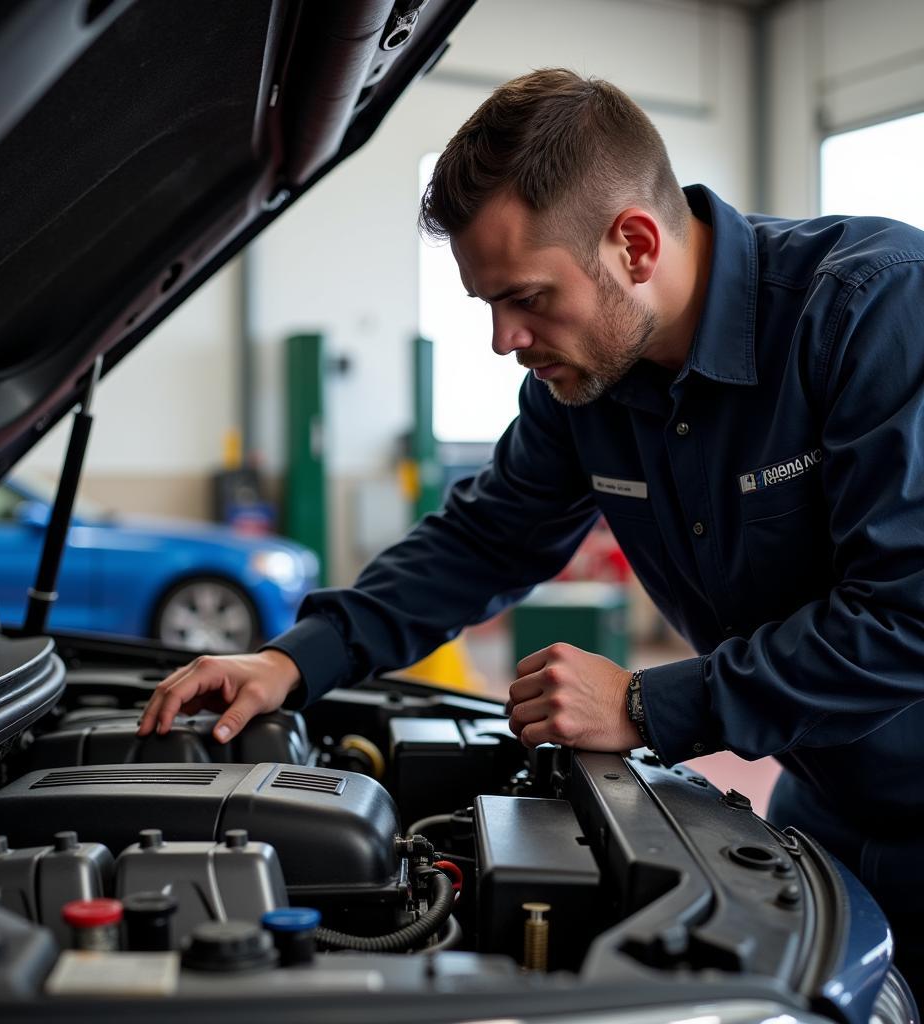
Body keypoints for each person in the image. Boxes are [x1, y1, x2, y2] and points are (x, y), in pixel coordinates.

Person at [139, 71, 924, 993]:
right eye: (487, 307)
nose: (505, 340)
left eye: (528, 298)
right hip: (824, 808)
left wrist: (644, 706)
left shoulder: (871, 310)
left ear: (634, 243)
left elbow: (906, 619)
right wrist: (295, 661)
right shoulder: (583, 384)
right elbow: (484, 542)